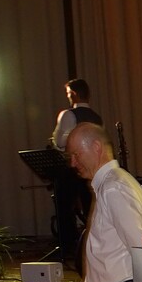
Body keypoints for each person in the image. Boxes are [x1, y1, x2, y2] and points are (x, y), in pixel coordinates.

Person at [65, 122, 142, 282]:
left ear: (96, 147)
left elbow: (140, 245)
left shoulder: (113, 187)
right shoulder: (113, 183)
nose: (72, 163)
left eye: (76, 155)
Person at [51, 78, 104, 267]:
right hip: (92, 169)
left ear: (73, 94)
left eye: (68, 94)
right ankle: (93, 249)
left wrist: (56, 141)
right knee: (91, 208)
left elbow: (60, 142)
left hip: (71, 168)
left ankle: (69, 248)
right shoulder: (96, 117)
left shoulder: (68, 114)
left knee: (64, 207)